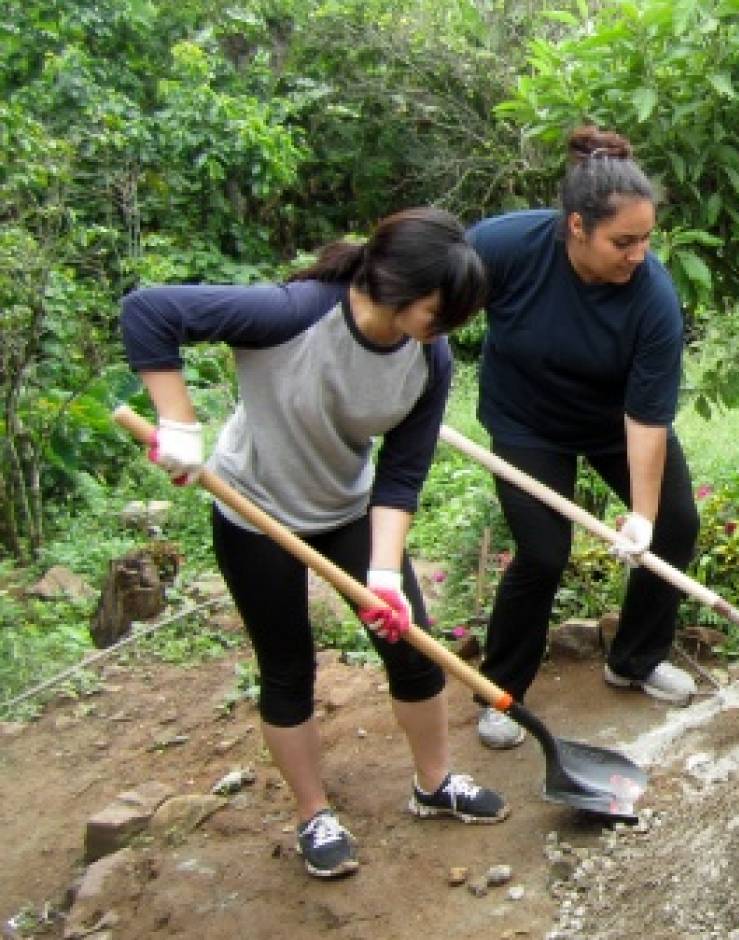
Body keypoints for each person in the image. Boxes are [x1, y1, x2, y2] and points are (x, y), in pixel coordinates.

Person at [119, 208, 510, 880]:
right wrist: (178, 423)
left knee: (412, 652)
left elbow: (403, 470)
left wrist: (385, 574)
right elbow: (148, 311)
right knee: (288, 667)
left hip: (349, 508)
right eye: (439, 311)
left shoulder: (430, 357)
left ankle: (435, 782)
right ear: (394, 285)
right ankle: (313, 814)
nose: (446, 331)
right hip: (255, 510)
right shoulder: (291, 314)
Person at [468, 125, 701, 751]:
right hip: (525, 424)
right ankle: (501, 693)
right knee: (543, 553)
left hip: (611, 422)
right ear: (576, 226)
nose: (638, 254)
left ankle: (633, 660)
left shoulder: (652, 297)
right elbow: (431, 299)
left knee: (675, 526)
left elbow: (648, 419)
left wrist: (643, 517)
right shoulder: (505, 246)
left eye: (647, 238)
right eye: (622, 241)